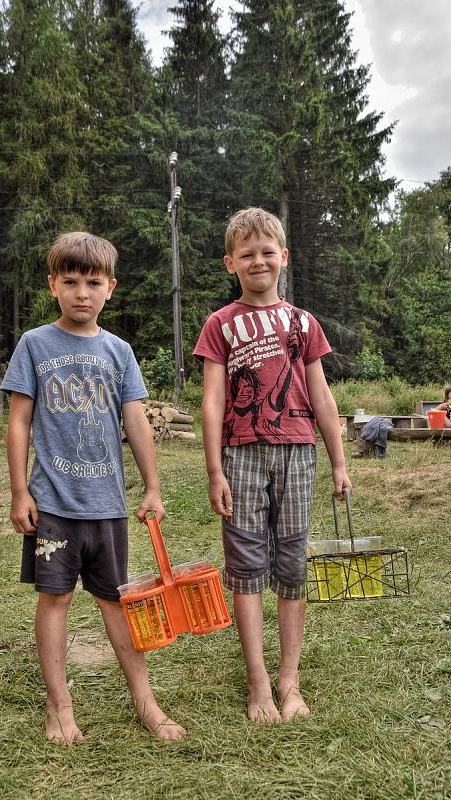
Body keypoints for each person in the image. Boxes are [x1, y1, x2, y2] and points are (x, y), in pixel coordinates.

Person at [1, 232, 185, 744]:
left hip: (107, 504)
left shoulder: (119, 351)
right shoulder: (35, 344)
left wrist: (152, 486)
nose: (82, 292)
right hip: (53, 504)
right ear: (52, 286)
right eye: (71, 282)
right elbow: (19, 423)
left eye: (93, 283)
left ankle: (145, 702)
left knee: (116, 602)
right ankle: (59, 707)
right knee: (54, 600)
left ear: (111, 288)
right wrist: (20, 492)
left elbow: (136, 422)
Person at [193, 208, 352, 724]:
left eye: (267, 252)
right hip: (241, 454)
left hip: (298, 451)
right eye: (246, 254)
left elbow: (322, 397)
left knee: (291, 566)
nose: (257, 261)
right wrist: (215, 469)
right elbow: (212, 402)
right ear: (229, 263)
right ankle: (258, 681)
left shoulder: (303, 323)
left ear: (284, 257)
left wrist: (339, 463)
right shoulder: (221, 324)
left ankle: (290, 678)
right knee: (246, 567)